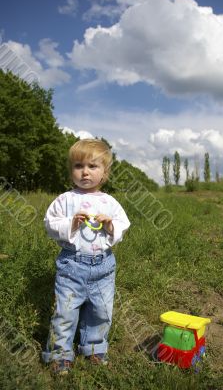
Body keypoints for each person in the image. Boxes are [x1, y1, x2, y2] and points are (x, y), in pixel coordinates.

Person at [42, 138, 130, 375]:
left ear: (105, 172)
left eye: (93, 167)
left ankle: (94, 348)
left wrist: (110, 225)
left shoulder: (110, 202)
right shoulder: (65, 200)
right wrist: (70, 223)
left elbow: (123, 225)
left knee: (101, 311)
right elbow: (50, 224)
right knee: (65, 310)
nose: (85, 172)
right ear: (71, 170)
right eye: (79, 166)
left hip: (103, 267)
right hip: (72, 266)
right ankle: (60, 353)